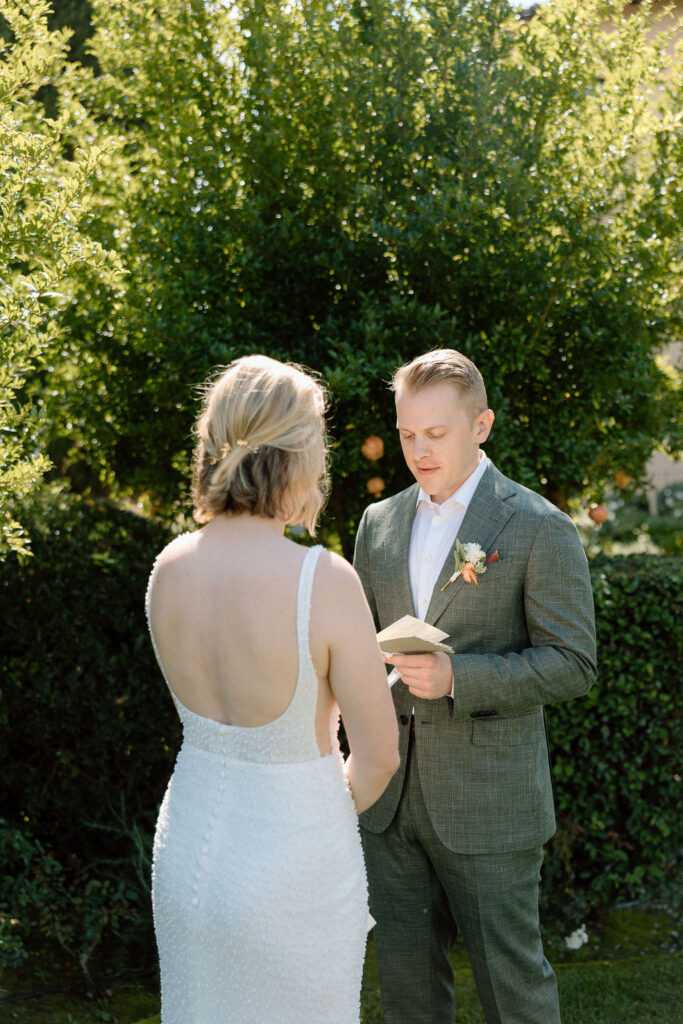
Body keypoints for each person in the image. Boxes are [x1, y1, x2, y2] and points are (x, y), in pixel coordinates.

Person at [145, 354, 399, 1024]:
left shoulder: (168, 569)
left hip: (189, 845)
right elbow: (378, 756)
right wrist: (314, 818)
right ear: (296, 454)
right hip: (294, 860)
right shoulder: (322, 578)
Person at [353, 349, 597, 1024]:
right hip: (389, 804)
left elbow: (573, 663)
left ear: (481, 425)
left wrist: (461, 676)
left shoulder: (537, 525)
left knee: (512, 994)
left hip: (489, 805)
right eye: (407, 434)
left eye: (436, 433)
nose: (418, 450)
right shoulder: (377, 525)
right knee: (407, 999)